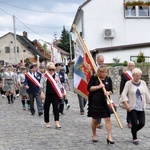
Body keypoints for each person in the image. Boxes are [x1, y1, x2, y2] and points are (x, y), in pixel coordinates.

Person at [120, 68, 150, 145]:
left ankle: (134, 130)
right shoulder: (128, 83)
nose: (138, 78)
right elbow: (123, 94)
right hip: (132, 106)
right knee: (134, 122)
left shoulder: (143, 83)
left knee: (142, 123)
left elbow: (147, 93)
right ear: (133, 76)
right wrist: (127, 105)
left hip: (141, 106)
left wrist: (149, 102)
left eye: (139, 76)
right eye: (136, 76)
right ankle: (135, 138)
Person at [87, 65, 114, 144]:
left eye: (105, 72)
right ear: (99, 72)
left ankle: (109, 136)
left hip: (105, 102)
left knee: (108, 119)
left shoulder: (108, 79)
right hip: (95, 101)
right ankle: (94, 134)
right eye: (102, 72)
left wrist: (108, 92)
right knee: (95, 119)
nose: (104, 74)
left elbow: (111, 90)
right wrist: (98, 86)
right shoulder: (94, 78)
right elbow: (89, 88)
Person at [40, 62, 62, 128]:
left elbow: (60, 85)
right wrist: (41, 93)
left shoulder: (57, 75)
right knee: (46, 109)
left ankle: (57, 122)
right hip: (47, 94)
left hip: (55, 95)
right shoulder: (44, 75)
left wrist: (61, 92)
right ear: (47, 69)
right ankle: (47, 122)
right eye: (50, 69)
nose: (51, 71)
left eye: (53, 69)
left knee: (56, 109)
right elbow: (41, 85)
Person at [120, 61, 135, 128]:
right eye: (130, 65)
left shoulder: (136, 73)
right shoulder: (125, 74)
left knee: (135, 107)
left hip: (135, 93)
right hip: (128, 93)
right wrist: (122, 94)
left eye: (132, 65)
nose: (131, 66)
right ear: (128, 66)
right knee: (129, 107)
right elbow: (122, 84)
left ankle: (134, 120)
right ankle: (129, 121)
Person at [96, 55, 105, 128]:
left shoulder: (104, 67)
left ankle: (99, 121)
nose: (101, 63)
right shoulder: (93, 67)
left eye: (102, 61)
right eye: (100, 61)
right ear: (97, 61)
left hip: (103, 89)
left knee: (101, 106)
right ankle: (97, 121)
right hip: (95, 89)